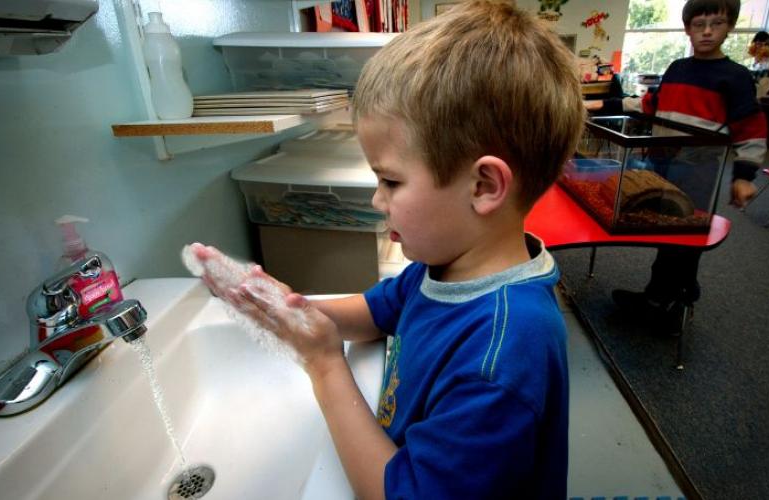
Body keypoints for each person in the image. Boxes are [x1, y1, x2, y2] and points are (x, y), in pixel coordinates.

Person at [191, 1, 585, 498]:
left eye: (390, 181)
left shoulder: (501, 352)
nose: (377, 200)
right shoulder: (446, 266)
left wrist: (326, 364)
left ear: (484, 186)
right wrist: (288, 309)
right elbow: (379, 310)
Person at [585, 0, 767, 333]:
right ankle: (679, 291)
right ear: (688, 28)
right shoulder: (678, 69)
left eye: (716, 23)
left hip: (700, 170)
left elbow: (750, 128)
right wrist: (594, 104)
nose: (707, 31)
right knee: (666, 229)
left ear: (729, 26)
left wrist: (744, 176)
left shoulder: (736, 77)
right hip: (664, 163)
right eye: (699, 24)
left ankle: (661, 303)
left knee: (682, 234)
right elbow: (647, 104)